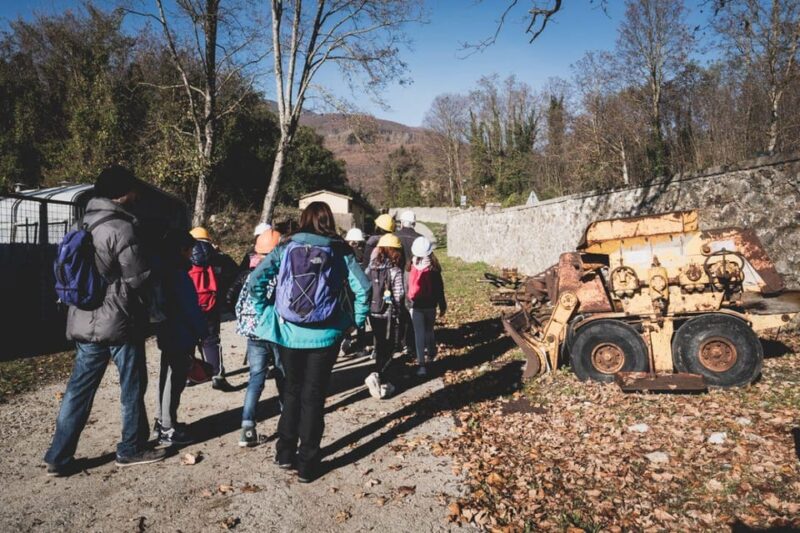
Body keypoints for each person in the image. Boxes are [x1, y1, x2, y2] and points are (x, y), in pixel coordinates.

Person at [44, 165, 165, 476]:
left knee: (78, 390)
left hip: (83, 318)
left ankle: (59, 456)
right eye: (134, 190)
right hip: (120, 322)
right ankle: (131, 448)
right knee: (132, 384)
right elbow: (138, 278)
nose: (137, 195)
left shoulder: (81, 221)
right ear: (123, 193)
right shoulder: (122, 227)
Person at [248, 202, 370, 482]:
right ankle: (307, 464)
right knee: (313, 398)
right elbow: (364, 287)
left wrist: (264, 312)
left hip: (288, 333)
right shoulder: (340, 249)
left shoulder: (286, 245)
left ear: (303, 219)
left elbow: (256, 280)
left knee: (291, 392)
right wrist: (355, 321)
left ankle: (284, 453)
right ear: (329, 220)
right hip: (326, 336)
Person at [153, 229, 208, 446]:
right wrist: (202, 332)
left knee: (166, 377)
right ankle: (168, 426)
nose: (191, 255)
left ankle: (163, 420)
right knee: (174, 381)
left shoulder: (164, 271)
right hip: (181, 333)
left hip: (169, 331)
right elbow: (190, 308)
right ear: (181, 250)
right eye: (189, 250)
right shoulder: (178, 274)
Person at [234, 228, 285, 448]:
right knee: (284, 375)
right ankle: (288, 418)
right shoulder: (278, 272)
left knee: (256, 379)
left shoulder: (249, 272)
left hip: (253, 332)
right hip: (274, 331)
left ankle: (247, 426)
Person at [188, 227, 236, 389]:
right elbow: (233, 275)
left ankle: (190, 374)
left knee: (189, 340)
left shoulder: (184, 255)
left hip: (190, 305)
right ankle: (217, 375)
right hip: (211, 304)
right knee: (211, 340)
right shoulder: (218, 258)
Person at [364, 234, 405, 400]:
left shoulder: (371, 267)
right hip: (389, 314)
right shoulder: (394, 270)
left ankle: (384, 384)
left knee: (380, 345)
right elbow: (399, 294)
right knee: (389, 348)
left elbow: (365, 285)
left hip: (373, 312)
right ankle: (377, 376)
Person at [407, 236, 447, 377]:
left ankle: (421, 365)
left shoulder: (410, 265)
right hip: (430, 305)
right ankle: (431, 354)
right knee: (429, 330)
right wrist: (442, 305)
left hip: (415, 305)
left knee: (418, 334)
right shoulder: (434, 268)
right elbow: (439, 289)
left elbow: (407, 286)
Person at [394, 210, 422, 357]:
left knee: (397, 309)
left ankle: (397, 342)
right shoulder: (419, 238)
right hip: (414, 277)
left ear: (401, 222)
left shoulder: (394, 237)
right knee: (412, 309)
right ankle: (410, 343)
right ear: (414, 222)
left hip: (396, 276)